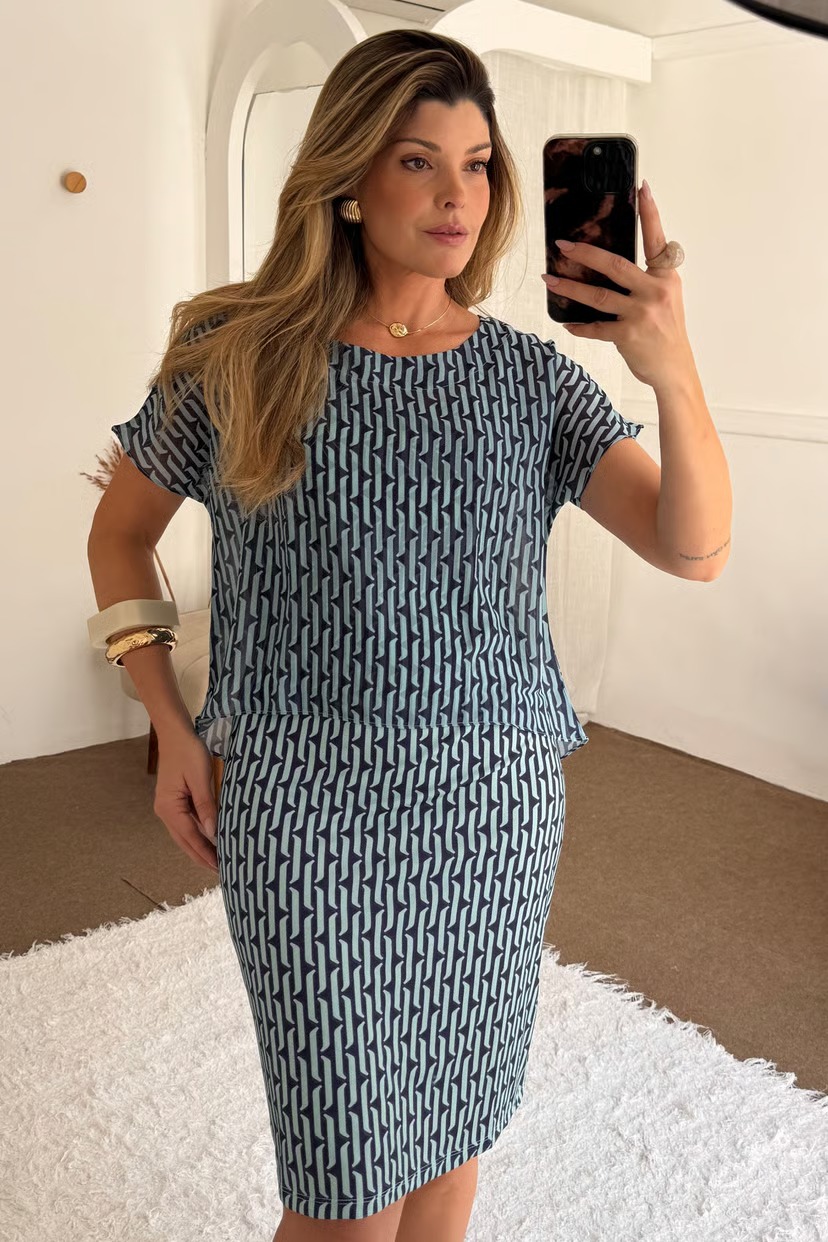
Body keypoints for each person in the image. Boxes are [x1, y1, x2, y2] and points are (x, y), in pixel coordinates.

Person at [87, 29, 648, 1242]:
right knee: (343, 1185)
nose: (457, 196)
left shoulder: (531, 380)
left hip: (491, 809)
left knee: (451, 1135)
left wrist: (671, 360)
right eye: (416, 160)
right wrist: (171, 727)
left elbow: (692, 542)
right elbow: (118, 539)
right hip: (303, 809)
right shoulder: (237, 362)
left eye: (478, 164)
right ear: (347, 178)